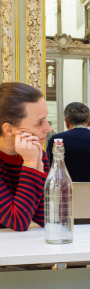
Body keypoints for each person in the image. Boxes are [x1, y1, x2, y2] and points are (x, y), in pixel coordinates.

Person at [0, 82, 52, 231]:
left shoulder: (35, 153)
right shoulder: (31, 157)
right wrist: (30, 163)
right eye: (39, 123)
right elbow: (18, 221)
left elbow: (45, 217)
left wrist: (36, 163)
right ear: (9, 129)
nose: (48, 128)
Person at [47, 103, 90, 182]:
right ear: (89, 121)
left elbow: (51, 170)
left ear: (66, 122)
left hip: (65, 192)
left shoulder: (56, 140)